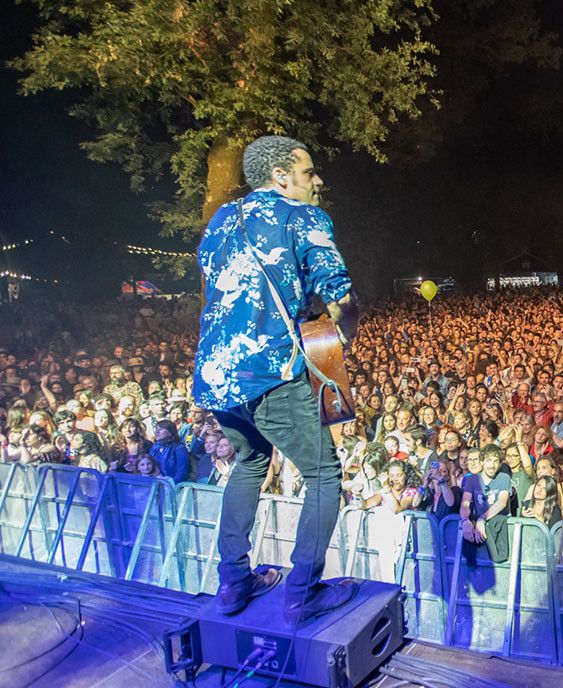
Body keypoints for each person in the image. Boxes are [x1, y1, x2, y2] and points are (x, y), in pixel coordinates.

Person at [194, 135, 360, 625]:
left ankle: (232, 584)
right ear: (281, 177)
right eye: (309, 172)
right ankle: (303, 592)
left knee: (248, 464)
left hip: (216, 373)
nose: (317, 181)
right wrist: (340, 339)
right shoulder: (300, 216)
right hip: (266, 370)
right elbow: (341, 295)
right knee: (324, 474)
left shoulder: (221, 221)